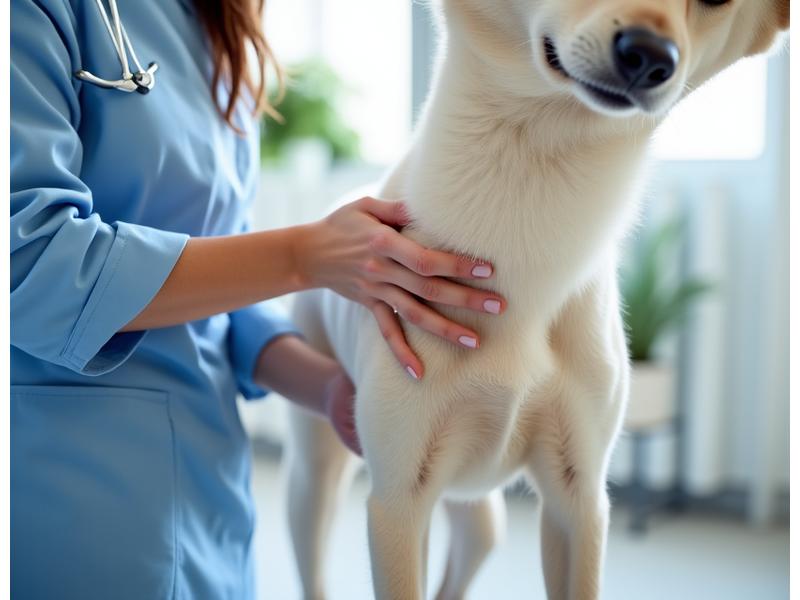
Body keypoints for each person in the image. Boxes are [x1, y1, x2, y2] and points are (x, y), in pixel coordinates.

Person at [10, 1, 506, 598]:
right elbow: (30, 265)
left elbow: (218, 289)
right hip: (71, 498)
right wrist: (305, 256)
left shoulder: (214, 23)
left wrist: (332, 390)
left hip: (210, 491)